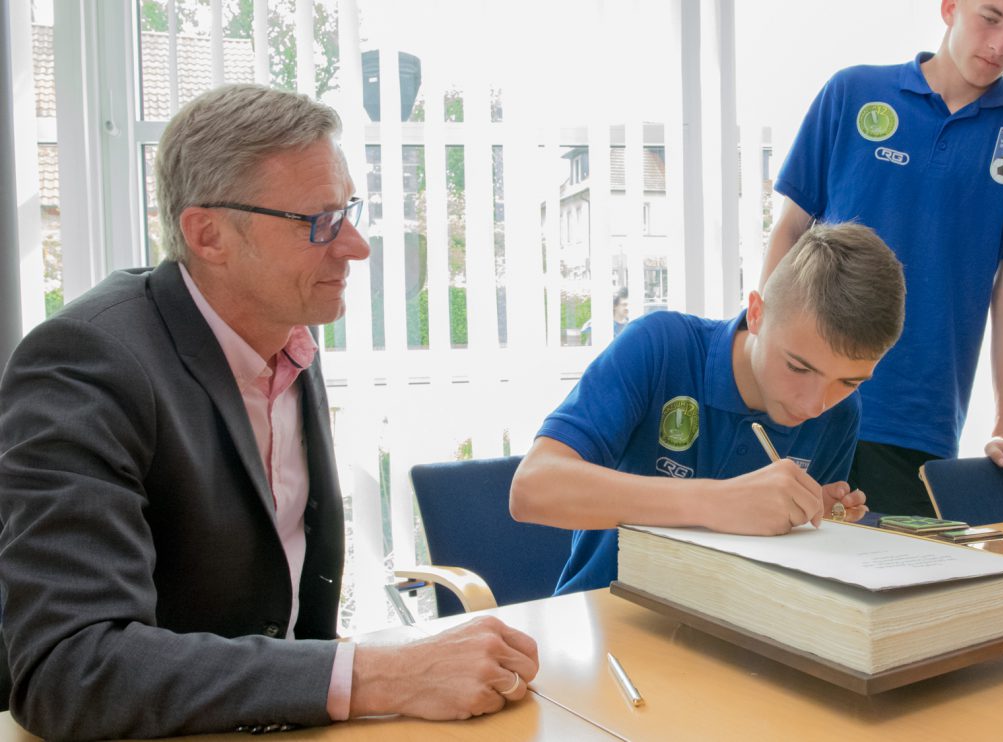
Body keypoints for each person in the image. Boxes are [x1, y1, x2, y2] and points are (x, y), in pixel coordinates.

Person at [0, 84, 538, 740]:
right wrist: (377, 674)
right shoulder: (86, 363)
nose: (356, 247)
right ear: (209, 234)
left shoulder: (287, 334)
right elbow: (69, 667)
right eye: (320, 222)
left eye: (348, 212)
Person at [761, 0, 1003, 517]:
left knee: (897, 581)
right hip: (802, 391)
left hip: (917, 413)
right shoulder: (853, 92)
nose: (999, 46)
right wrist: (761, 355)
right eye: (990, 19)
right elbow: (791, 228)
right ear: (950, 8)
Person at [510, 222, 905, 594]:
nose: (815, 404)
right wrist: (718, 502)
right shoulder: (660, 347)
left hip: (739, 631)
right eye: (798, 367)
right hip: (604, 617)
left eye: (849, 381)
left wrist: (807, 516)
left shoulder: (841, 412)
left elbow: (793, 570)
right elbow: (533, 489)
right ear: (757, 314)